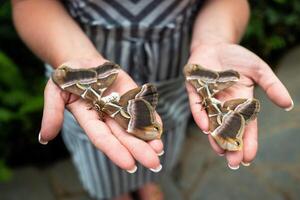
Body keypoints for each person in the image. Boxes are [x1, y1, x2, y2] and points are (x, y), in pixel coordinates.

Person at [11, 0, 293, 199]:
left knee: (162, 141)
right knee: (102, 149)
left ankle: (149, 180)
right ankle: (114, 192)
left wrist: (214, 40)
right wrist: (68, 55)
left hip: (174, 68)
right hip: (83, 56)